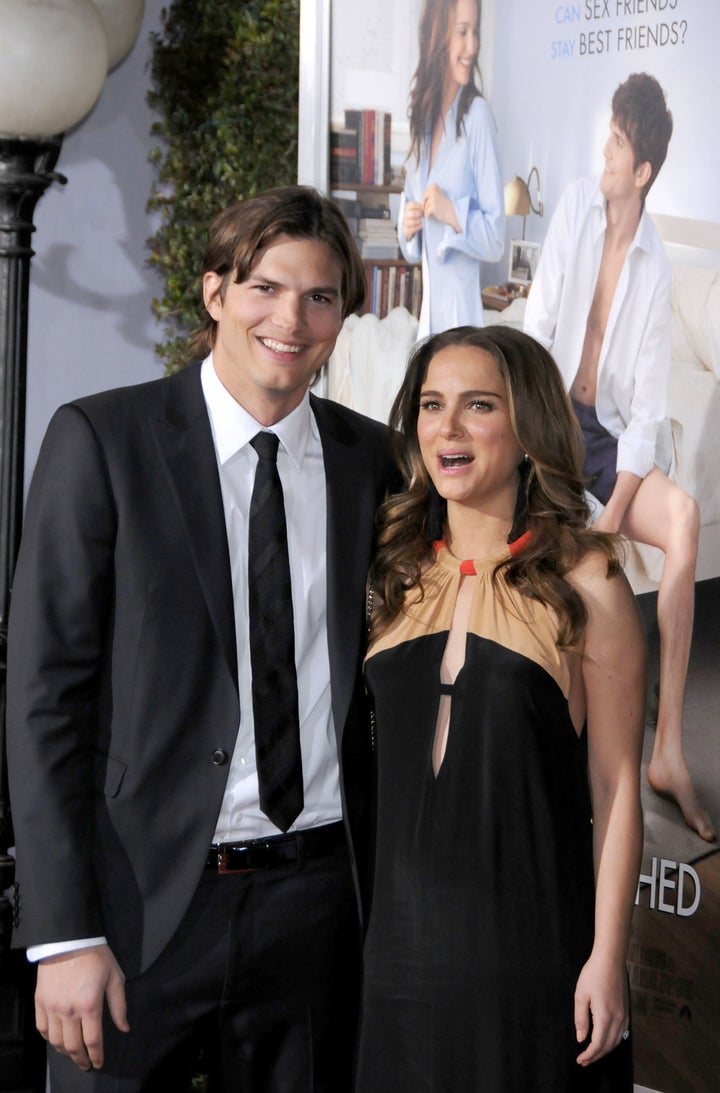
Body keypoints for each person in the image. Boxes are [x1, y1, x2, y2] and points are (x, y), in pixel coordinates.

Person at [6, 185, 395, 1091]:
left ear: (343, 316)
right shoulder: (103, 442)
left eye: (320, 297)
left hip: (320, 911)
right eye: (264, 287)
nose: (290, 320)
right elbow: (42, 701)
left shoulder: (374, 463)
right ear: (215, 292)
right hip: (139, 916)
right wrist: (62, 934)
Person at [355, 325, 645, 1091]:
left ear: (527, 430)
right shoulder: (390, 575)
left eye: (477, 405)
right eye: (430, 405)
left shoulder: (590, 579)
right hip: (396, 959)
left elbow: (616, 786)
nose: (447, 427)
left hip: (534, 953)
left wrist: (607, 958)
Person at [524, 72, 715, 843]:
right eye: (607, 133)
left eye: (617, 143)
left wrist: (615, 510)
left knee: (688, 518)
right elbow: (537, 329)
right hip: (548, 416)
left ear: (642, 172)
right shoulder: (574, 208)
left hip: (605, 439)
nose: (603, 152)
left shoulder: (657, 265)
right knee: (566, 563)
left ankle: (667, 747)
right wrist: (530, 446)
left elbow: (641, 419)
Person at [398, 0, 505, 339]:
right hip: (428, 323)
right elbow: (410, 247)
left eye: (475, 32)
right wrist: (407, 225)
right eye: (462, 32)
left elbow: (495, 241)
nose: (471, 46)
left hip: (463, 325)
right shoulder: (421, 119)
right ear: (436, 33)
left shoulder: (478, 117)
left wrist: (452, 212)